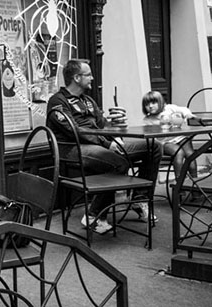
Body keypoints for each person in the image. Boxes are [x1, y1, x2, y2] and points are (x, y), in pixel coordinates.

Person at [47, 58, 162, 234]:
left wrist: (116, 127)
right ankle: (94, 215)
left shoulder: (87, 100)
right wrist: (108, 143)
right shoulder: (58, 102)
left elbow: (103, 125)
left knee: (153, 146)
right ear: (77, 78)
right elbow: (75, 132)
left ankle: (140, 198)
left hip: (99, 145)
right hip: (72, 149)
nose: (92, 78)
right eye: (88, 75)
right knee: (118, 163)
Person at [141, 91, 199, 180]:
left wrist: (188, 115)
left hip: (180, 137)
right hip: (165, 142)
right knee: (179, 153)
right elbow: (151, 136)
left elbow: (184, 109)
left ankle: (195, 181)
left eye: (153, 103)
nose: (150, 106)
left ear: (160, 102)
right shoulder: (147, 120)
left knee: (190, 154)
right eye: (147, 104)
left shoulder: (169, 108)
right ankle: (179, 183)